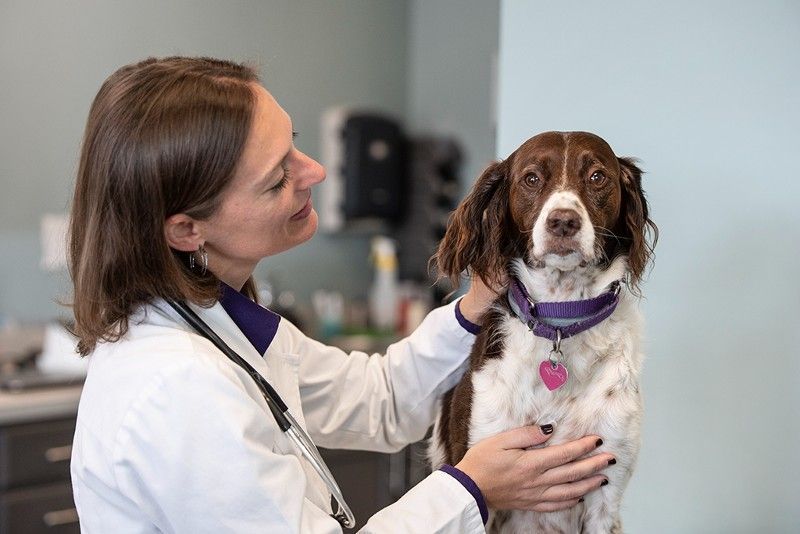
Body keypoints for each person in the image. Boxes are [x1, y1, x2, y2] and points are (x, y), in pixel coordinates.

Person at [68, 56, 613, 533]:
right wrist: (471, 488)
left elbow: (379, 400)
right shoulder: (178, 389)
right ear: (188, 230)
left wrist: (474, 306)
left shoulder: (222, 326)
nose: (317, 172)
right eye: (278, 177)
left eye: (295, 146)